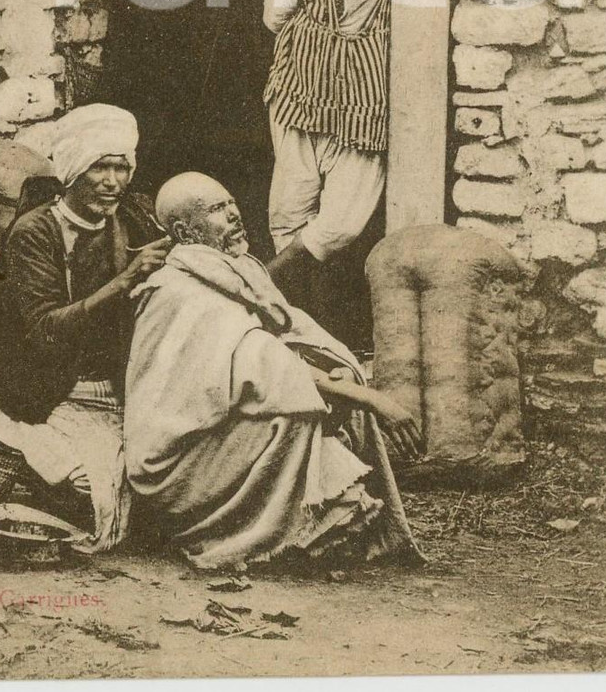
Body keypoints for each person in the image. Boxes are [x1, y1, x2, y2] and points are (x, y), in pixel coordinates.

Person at [124, 172, 423, 574]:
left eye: (231, 203)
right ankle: (274, 538)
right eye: (216, 210)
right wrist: (374, 398)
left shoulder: (239, 270)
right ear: (184, 231)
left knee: (323, 398)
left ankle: (316, 525)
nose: (233, 215)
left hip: (218, 426)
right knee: (292, 418)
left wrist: (336, 367)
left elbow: (289, 332)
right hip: (176, 459)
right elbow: (263, 365)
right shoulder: (177, 290)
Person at [0, 104, 168, 552]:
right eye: (99, 167)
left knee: (161, 481)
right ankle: (27, 461)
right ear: (72, 170)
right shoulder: (36, 232)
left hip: (114, 393)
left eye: (121, 167)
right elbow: (46, 328)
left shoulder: (132, 220)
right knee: (89, 486)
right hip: (47, 394)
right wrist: (124, 281)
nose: (112, 181)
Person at [263, 0, 397, 300]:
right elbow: (274, 17)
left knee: (340, 223)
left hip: (364, 97)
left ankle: (262, 286)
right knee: (289, 206)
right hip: (301, 87)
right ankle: (298, 320)